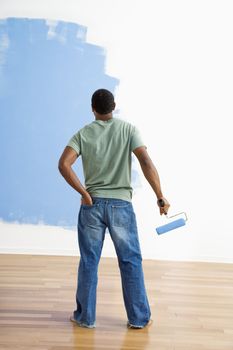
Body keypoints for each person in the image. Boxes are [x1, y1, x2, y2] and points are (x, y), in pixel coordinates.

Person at [58, 88, 170, 329]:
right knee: (130, 261)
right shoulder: (128, 130)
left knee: (89, 261)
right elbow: (146, 162)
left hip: (92, 206)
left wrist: (84, 193)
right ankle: (139, 319)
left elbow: (64, 164)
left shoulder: (83, 134)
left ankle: (84, 317)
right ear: (114, 105)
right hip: (121, 206)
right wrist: (160, 196)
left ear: (93, 109)